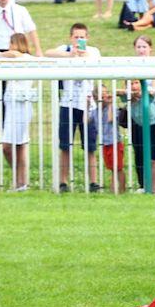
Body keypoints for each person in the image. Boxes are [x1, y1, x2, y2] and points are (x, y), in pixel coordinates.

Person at [46, 23, 102, 193]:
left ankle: (94, 181)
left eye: (82, 37)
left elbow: (96, 63)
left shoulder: (93, 51)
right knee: (65, 145)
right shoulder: (65, 50)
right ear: (71, 38)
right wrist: (69, 54)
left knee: (90, 146)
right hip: (68, 104)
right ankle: (63, 182)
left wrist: (83, 55)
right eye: (76, 37)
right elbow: (47, 53)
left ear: (87, 38)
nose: (79, 40)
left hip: (87, 104)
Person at [0, 33, 36, 191]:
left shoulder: (23, 57)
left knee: (8, 146)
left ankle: (19, 178)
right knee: (19, 145)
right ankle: (21, 183)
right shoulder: (21, 59)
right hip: (13, 105)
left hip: (21, 106)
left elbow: (13, 54)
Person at [124, 35, 155, 192]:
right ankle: (142, 185)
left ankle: (153, 186)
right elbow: (126, 90)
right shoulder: (130, 66)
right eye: (138, 47)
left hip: (151, 118)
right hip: (135, 117)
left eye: (144, 47)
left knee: (152, 154)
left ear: (150, 49)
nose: (141, 50)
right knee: (138, 152)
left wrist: (140, 91)